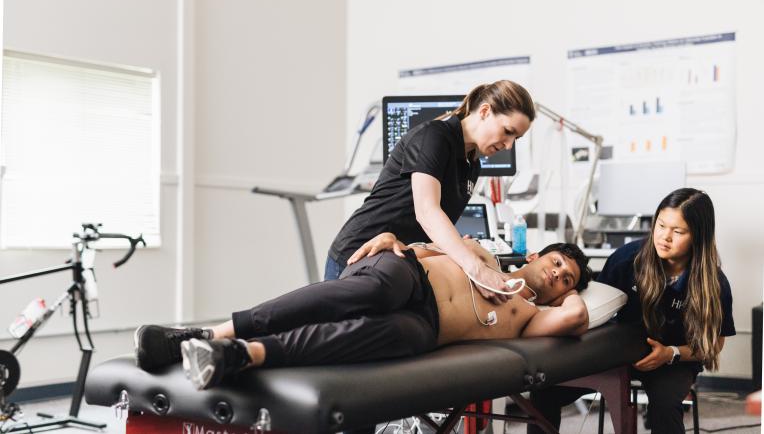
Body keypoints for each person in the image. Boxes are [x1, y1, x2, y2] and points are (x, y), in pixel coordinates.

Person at [135, 232, 592, 390]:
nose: (557, 276)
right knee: (377, 291)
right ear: (533, 257)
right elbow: (414, 249)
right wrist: (394, 243)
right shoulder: (479, 252)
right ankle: (204, 335)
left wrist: (581, 290)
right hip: (407, 276)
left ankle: (242, 355)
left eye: (567, 278)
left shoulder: (532, 317)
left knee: (401, 337)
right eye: (555, 263)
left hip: (426, 327)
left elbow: (576, 317)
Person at [527, 188, 735, 434]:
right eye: (660, 225)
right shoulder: (628, 259)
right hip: (616, 351)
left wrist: (670, 353)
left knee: (665, 408)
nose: (664, 237)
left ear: (698, 236)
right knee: (545, 391)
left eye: (678, 231)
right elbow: (596, 307)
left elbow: (714, 344)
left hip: (672, 361)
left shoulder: (714, 284)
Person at [326, 80, 536, 304]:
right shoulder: (434, 137)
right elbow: (427, 212)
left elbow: (431, 229)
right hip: (358, 252)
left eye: (516, 138)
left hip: (394, 262)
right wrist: (477, 270)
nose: (509, 145)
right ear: (484, 111)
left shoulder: (473, 164)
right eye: (508, 131)